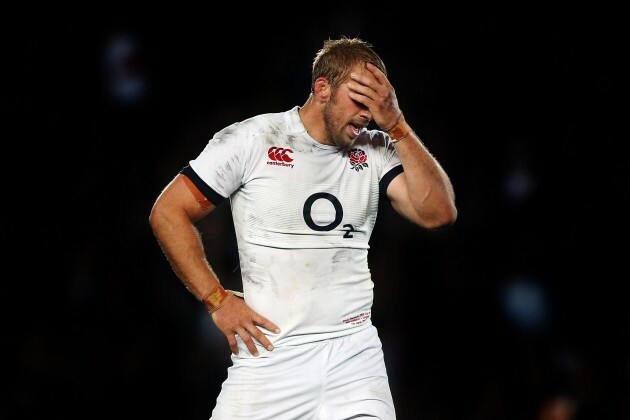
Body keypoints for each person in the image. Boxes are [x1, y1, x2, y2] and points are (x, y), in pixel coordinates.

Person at [149, 36, 457, 419]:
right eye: (359, 101)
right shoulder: (255, 139)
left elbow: (439, 213)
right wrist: (217, 300)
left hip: (353, 358)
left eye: (375, 105)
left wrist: (397, 125)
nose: (367, 115)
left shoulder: (376, 147)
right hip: (272, 358)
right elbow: (167, 211)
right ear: (322, 89)